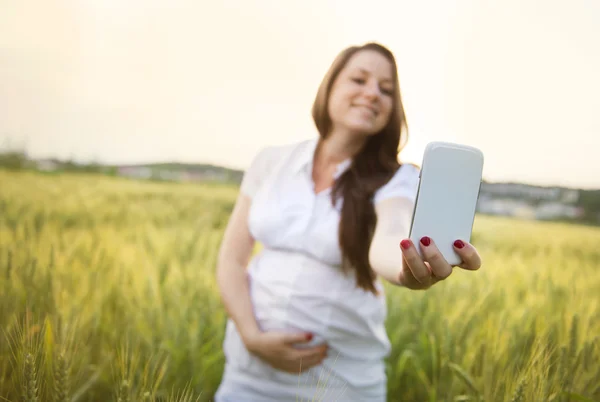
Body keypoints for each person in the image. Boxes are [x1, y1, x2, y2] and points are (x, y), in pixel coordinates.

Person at [213, 42, 482, 402]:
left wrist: (406, 267)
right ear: (329, 87)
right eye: (359, 79)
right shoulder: (270, 162)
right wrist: (252, 337)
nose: (372, 93)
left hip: (339, 387)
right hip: (247, 378)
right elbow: (232, 259)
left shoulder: (396, 179)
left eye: (386, 90)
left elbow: (390, 233)